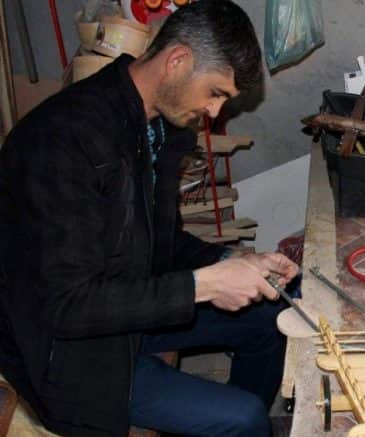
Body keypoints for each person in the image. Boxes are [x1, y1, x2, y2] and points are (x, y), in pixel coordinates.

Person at [0, 1, 297, 435]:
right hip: (69, 353)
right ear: (177, 60)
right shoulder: (62, 142)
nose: (215, 112)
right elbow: (67, 307)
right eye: (215, 93)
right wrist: (205, 285)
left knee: (274, 312)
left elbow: (161, 244)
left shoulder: (157, 126)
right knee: (246, 418)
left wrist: (232, 260)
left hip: (132, 313)